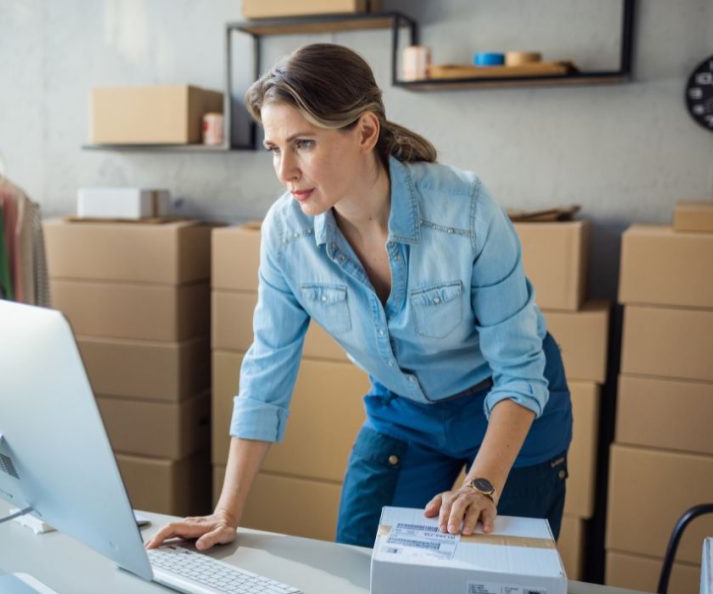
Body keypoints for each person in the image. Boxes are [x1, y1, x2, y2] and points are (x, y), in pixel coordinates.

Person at [147, 43, 572, 551]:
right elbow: (266, 370)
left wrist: (481, 485)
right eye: (274, 148)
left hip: (511, 408)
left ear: (366, 131)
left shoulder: (466, 210)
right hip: (404, 411)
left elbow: (521, 370)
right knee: (358, 561)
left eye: (303, 143)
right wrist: (226, 511)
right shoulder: (286, 233)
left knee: (490, 583)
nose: (285, 172)